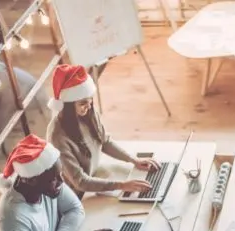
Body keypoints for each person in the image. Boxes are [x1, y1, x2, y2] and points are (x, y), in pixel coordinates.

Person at [45, 64, 158, 197]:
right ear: (68, 105)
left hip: (96, 175)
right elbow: (80, 181)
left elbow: (104, 141)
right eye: (82, 103)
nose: (89, 106)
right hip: (78, 193)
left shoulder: (88, 113)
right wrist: (121, 185)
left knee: (140, 183)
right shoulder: (57, 137)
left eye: (90, 101)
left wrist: (133, 160)